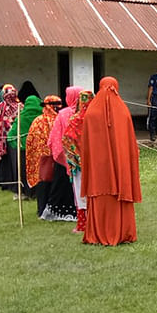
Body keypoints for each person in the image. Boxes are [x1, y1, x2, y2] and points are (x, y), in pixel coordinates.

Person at [82, 77, 142, 245]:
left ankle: (98, 233)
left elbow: (85, 145)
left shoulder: (91, 113)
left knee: (100, 192)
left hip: (98, 171)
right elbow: (130, 144)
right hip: (120, 168)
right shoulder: (123, 112)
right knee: (119, 194)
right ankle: (123, 232)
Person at [43, 86, 81, 222]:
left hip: (64, 154)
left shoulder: (63, 114)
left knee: (61, 184)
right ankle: (80, 210)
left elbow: (55, 135)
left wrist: (56, 149)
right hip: (81, 155)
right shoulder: (84, 112)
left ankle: (59, 211)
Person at [63, 90, 94, 233]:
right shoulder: (98, 120)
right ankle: (96, 223)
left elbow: (67, 140)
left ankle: (82, 225)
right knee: (94, 192)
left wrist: (74, 157)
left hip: (78, 164)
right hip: (95, 163)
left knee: (81, 193)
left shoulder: (74, 120)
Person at [26, 95, 62, 216]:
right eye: (55, 104)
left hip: (46, 158)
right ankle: (43, 210)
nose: (58, 107)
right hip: (48, 158)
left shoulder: (39, 121)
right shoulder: (42, 121)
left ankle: (45, 210)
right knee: (46, 183)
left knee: (46, 183)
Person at [7, 95, 43, 198]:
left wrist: (17, 145)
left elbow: (11, 136)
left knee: (23, 171)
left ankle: (25, 192)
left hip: (23, 150)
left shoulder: (21, 117)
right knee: (38, 170)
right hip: (38, 149)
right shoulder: (42, 115)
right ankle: (37, 192)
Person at [0, 84, 22, 191]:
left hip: (1, 141)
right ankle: (15, 184)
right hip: (15, 140)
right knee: (15, 162)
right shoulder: (20, 107)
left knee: (5, 162)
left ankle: (5, 183)